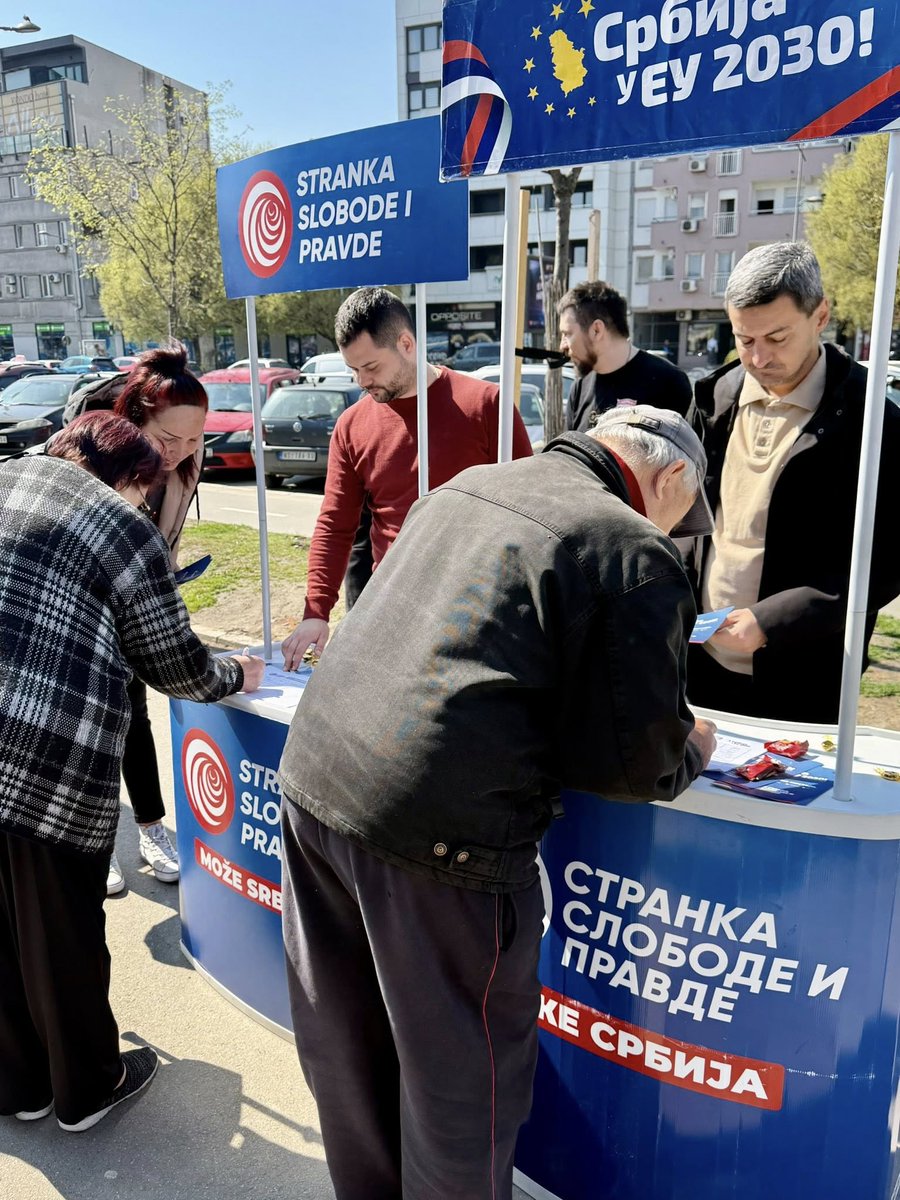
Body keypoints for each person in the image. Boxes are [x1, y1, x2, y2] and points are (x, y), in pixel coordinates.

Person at [277, 405, 718, 1200]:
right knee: (458, 1091)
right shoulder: (629, 546)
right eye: (683, 515)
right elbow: (637, 763)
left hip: (315, 779)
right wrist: (697, 745)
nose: (676, 531)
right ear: (674, 477)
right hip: (437, 832)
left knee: (349, 1051)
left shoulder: (467, 485)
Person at [0, 412, 263, 1132]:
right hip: (49, 757)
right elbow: (170, 660)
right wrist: (235, 672)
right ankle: (88, 1088)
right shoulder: (120, 524)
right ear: (130, 478)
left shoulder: (6, 479)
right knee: (63, 932)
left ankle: (19, 1086)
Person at [685, 241, 900, 722]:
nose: (759, 358)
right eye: (744, 339)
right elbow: (682, 514)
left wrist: (773, 621)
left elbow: (885, 561)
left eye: (777, 338)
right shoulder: (713, 397)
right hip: (697, 662)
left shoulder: (870, 419)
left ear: (820, 315)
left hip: (804, 674)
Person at [280, 287, 533, 668]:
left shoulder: (487, 406)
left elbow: (527, 515)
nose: (361, 381)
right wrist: (316, 610)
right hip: (393, 612)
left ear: (406, 344)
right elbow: (335, 525)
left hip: (479, 615)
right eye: (353, 369)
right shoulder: (351, 425)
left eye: (371, 367)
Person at [95, 346, 209, 895]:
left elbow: (166, 543)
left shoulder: (187, 460)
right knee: (95, 718)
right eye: (168, 439)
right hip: (87, 604)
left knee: (137, 715)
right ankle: (95, 844)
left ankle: (150, 826)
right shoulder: (98, 455)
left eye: (194, 439)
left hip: (140, 597)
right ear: (134, 420)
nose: (180, 452)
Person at [559, 280, 693, 432]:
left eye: (567, 334)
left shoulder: (669, 383)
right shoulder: (580, 388)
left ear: (596, 330)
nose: (562, 346)